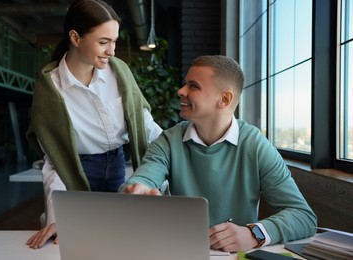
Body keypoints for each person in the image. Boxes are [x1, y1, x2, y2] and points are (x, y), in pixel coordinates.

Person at [120, 55, 317, 252]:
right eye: (184, 84)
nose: (181, 91)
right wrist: (135, 192)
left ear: (224, 99)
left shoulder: (255, 145)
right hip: (181, 251)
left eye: (193, 86)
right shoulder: (168, 141)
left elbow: (303, 216)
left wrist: (253, 234)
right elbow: (142, 181)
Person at [25, 0, 162, 249]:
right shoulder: (50, 90)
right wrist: (58, 217)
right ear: (75, 38)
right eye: (103, 42)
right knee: (78, 245)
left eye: (115, 41)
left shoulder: (119, 72)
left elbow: (147, 128)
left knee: (121, 243)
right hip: (76, 173)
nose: (111, 51)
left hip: (119, 167)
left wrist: (175, 152)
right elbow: (56, 161)